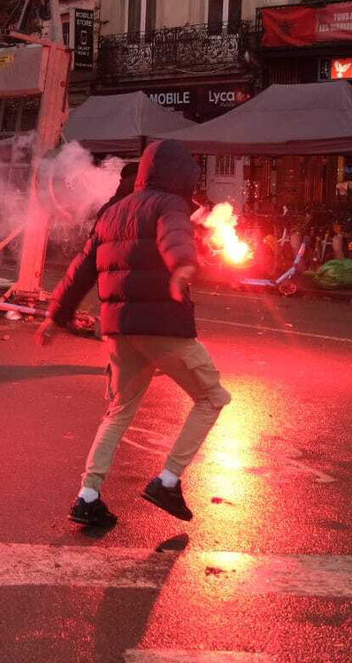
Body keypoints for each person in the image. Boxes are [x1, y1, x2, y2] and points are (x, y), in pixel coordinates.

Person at [38, 139, 231, 526]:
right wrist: (182, 266)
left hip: (118, 331)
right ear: (181, 175)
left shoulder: (113, 213)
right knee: (212, 397)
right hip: (163, 327)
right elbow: (174, 235)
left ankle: (88, 495)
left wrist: (55, 316)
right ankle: (168, 480)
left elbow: (81, 269)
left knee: (118, 411)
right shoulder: (170, 205)